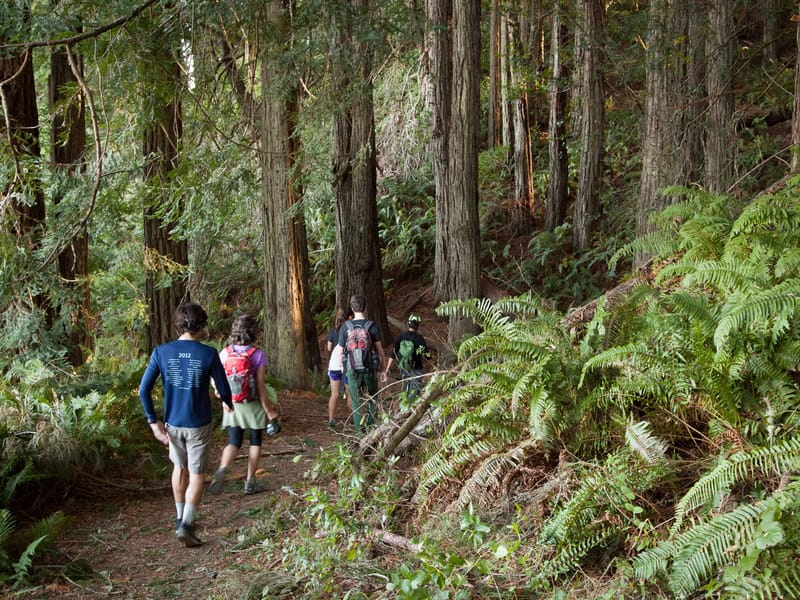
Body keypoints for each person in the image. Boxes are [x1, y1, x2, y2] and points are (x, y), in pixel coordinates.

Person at [139, 302, 232, 548]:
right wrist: (227, 403)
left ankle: (180, 517)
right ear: (201, 325)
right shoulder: (208, 353)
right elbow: (224, 389)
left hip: (172, 423)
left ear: (179, 324)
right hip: (198, 423)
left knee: (179, 468)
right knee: (197, 473)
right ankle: (187, 524)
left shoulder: (161, 352)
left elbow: (143, 390)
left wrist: (153, 421)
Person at [208, 314, 280, 495]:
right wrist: (269, 410)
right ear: (253, 332)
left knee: (234, 442)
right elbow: (261, 386)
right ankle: (250, 482)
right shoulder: (258, 355)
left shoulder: (224, 353)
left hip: (231, 404)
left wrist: (221, 395)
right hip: (252, 403)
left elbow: (214, 378)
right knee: (255, 441)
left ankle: (223, 468)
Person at [337, 294, 386, 434]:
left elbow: (340, 351)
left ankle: (359, 433)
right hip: (369, 368)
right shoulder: (372, 325)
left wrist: (343, 368)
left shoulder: (346, 327)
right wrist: (383, 370)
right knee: (372, 398)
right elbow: (379, 350)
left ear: (352, 308)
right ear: (364, 307)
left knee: (356, 401)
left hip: (352, 370)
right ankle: (371, 429)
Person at [381, 314, 430, 400]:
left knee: (405, 392)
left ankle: (404, 408)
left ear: (408, 324)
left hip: (404, 368)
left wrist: (387, 369)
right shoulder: (419, 338)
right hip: (416, 369)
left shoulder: (401, 336)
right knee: (414, 394)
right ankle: (411, 409)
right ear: (418, 325)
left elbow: (393, 353)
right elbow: (427, 355)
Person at [327, 306, 353, 429]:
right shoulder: (349, 329)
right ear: (350, 317)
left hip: (334, 364)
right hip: (346, 364)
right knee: (349, 393)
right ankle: (352, 418)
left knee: (335, 394)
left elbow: (328, 347)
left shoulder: (334, 330)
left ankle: (331, 420)